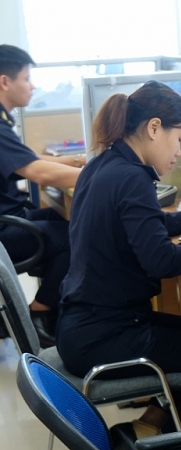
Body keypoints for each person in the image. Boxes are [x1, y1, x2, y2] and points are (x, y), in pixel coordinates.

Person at [55, 80, 181, 440]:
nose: (179, 152)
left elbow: (137, 225)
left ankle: (147, 426)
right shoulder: (133, 178)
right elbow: (160, 260)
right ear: (153, 128)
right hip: (107, 337)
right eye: (179, 139)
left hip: (83, 326)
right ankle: (170, 444)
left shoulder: (103, 165)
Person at [0, 44, 83, 347]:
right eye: (26, 78)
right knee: (76, 236)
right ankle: (40, 313)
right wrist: (103, 176)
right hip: (6, 228)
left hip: (11, 216)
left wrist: (80, 161)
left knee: (56, 217)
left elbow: (29, 159)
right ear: (4, 82)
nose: (32, 86)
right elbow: (39, 173)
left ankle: (61, 306)